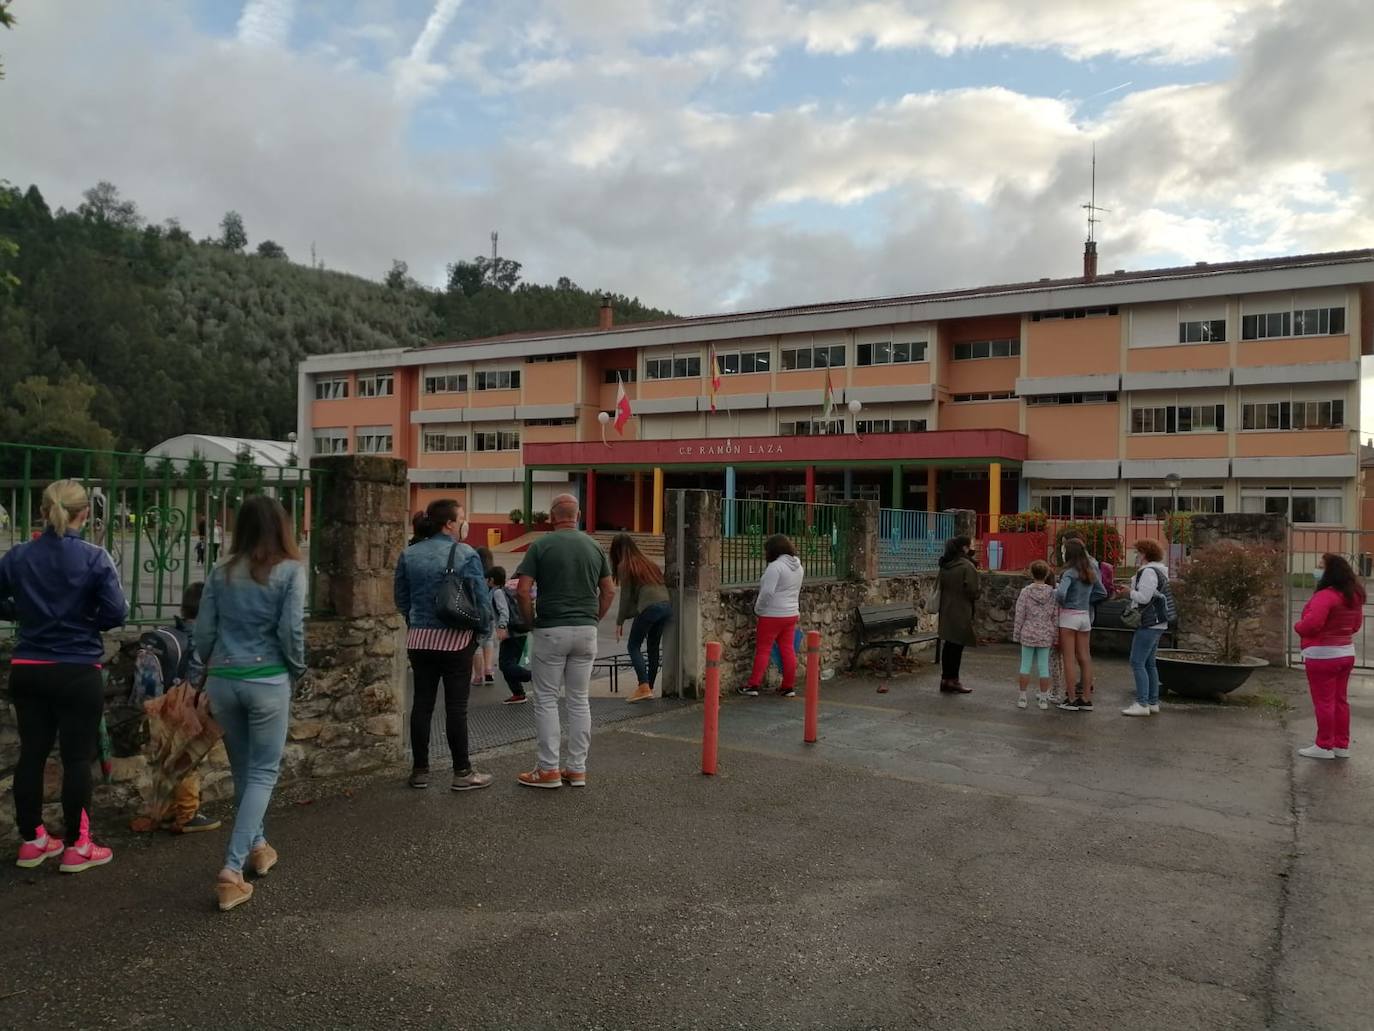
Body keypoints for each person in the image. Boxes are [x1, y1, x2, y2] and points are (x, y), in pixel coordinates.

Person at [1, 480, 127, 873]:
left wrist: (22, 612)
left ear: (42, 511)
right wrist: (88, 621)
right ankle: (78, 845)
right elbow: (117, 613)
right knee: (75, 759)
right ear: (84, 513)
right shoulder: (94, 557)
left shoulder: (18, 556)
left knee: (32, 755)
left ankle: (33, 840)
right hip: (77, 668)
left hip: (29, 668)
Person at [195, 495, 307, 911]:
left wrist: (201, 672)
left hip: (224, 679)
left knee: (244, 769)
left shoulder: (220, 571)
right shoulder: (291, 571)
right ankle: (232, 870)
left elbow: (204, 633)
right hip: (268, 679)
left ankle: (258, 845)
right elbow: (291, 629)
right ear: (281, 527)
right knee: (263, 772)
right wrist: (296, 669)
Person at [514, 494, 614, 788]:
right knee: (579, 700)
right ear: (578, 515)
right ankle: (577, 768)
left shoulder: (541, 545)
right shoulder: (594, 546)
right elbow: (609, 591)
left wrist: (531, 621)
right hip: (585, 631)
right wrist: (594, 618)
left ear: (551, 516)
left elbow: (522, 590)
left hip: (551, 629)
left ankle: (548, 770)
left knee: (546, 699)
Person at [394, 498, 493, 792]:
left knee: (422, 705)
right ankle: (462, 772)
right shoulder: (464, 553)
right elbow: (481, 599)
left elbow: (402, 598)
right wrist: (481, 631)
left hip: (420, 641)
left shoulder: (409, 554)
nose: (465, 522)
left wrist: (416, 625)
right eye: (462, 518)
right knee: (456, 707)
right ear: (449, 524)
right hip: (456, 641)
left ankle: (420, 770)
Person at [133, 581, 220, 832]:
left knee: (164, 761)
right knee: (187, 760)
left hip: (157, 706)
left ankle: (167, 812)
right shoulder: (201, 640)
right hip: (185, 708)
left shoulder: (165, 635)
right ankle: (187, 815)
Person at [1293, 553, 1363, 759]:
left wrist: (1298, 626)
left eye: (1320, 566)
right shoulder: (1354, 595)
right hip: (1346, 653)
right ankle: (1341, 745)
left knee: (1324, 701)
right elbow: (1356, 625)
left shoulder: (1325, 596)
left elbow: (1312, 624)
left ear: (1329, 572)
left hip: (1322, 654)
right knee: (1340, 700)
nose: (1317, 570)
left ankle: (1323, 745)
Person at [737, 534, 804, 698]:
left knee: (763, 649)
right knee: (787, 649)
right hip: (791, 613)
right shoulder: (798, 566)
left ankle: (753, 684)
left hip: (772, 614)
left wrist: (758, 609)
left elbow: (767, 592)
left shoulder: (775, 567)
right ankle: (788, 686)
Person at [610, 533, 671, 703]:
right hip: (666, 605)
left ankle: (643, 686)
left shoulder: (625, 565)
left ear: (616, 550)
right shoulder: (647, 562)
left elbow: (626, 597)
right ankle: (648, 687)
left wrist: (620, 621)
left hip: (649, 607)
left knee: (633, 646)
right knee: (653, 647)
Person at [1117, 538, 1171, 718]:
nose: (1136, 555)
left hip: (1148, 622)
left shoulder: (1148, 572)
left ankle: (1142, 702)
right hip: (1159, 622)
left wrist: (1128, 592)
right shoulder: (1160, 571)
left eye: (1138, 552)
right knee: (1149, 663)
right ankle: (1152, 701)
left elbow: (1144, 597)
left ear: (1145, 554)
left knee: (1137, 661)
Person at [1055, 539, 1107, 711]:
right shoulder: (1090, 570)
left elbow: (1061, 593)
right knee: (1085, 657)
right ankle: (1086, 699)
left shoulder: (1069, 572)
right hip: (1085, 616)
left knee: (1069, 658)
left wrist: (1064, 602)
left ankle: (1070, 699)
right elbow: (1102, 592)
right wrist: (1085, 601)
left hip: (1069, 616)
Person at [936, 536, 980, 693]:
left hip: (946, 609)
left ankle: (945, 679)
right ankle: (954, 680)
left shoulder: (946, 564)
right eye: (970, 545)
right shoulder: (966, 566)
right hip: (961, 610)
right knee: (957, 646)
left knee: (948, 645)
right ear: (964, 548)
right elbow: (973, 591)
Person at [1012, 559, 1057, 710]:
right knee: (1044, 667)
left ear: (1032, 573)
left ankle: (1022, 697)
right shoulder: (1052, 593)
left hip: (1028, 631)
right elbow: (1055, 616)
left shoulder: (1026, 592)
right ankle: (1043, 699)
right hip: (1045, 632)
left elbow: (1020, 614)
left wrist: (1017, 633)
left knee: (1025, 665)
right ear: (1047, 574)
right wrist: (1055, 635)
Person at [487, 565, 532, 705]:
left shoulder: (497, 593)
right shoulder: (502, 590)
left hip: (513, 633)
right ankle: (518, 693)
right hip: (517, 632)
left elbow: (504, 611)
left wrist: (501, 627)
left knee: (506, 665)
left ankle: (536, 677)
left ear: (491, 580)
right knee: (507, 664)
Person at [473, 544, 496, 687]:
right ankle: (489, 670)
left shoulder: (475, 575)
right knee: (488, 641)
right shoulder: (493, 576)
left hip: (476, 613)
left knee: (476, 644)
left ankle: (478, 676)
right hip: (490, 615)